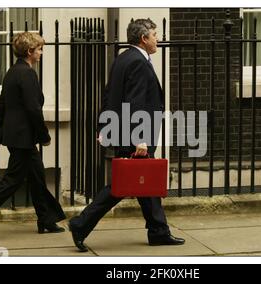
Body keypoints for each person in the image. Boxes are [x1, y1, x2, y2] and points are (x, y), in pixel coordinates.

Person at [68, 19, 185, 252]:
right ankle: (80, 224)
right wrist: (139, 138)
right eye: (154, 34)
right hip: (134, 136)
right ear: (143, 39)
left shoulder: (123, 58)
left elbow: (110, 94)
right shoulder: (139, 63)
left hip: (121, 131)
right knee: (119, 187)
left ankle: (159, 231)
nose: (157, 39)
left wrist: (104, 126)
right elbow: (134, 102)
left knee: (145, 185)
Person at [0, 32, 66, 240]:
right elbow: (33, 109)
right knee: (11, 181)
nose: (41, 53)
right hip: (24, 139)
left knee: (37, 177)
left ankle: (46, 219)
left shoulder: (12, 72)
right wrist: (44, 135)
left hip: (16, 137)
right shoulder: (27, 74)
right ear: (30, 51)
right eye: (39, 49)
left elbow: (3, 105)